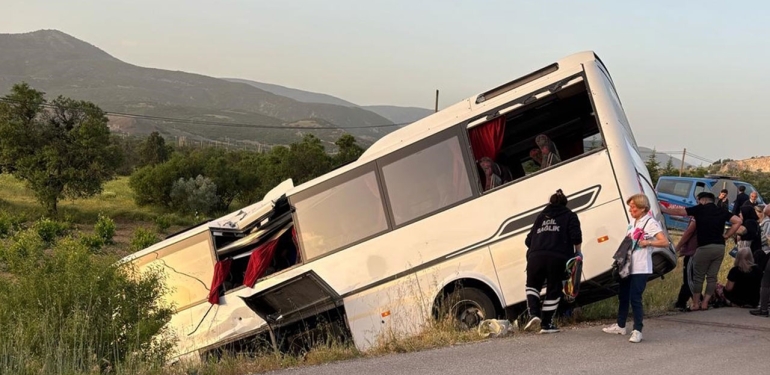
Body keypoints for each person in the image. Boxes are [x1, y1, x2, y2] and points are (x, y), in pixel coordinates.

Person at [602, 194, 669, 343]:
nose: (630, 210)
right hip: (627, 265)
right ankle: (620, 325)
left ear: (643, 208)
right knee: (623, 296)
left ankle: (637, 329)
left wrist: (648, 243)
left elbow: (664, 242)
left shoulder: (650, 223)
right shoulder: (633, 221)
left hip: (641, 266)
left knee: (635, 298)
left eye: (633, 207)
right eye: (630, 207)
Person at [660, 192, 742, 310]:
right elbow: (738, 221)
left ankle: (696, 303)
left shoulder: (700, 209)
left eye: (698, 200)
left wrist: (664, 210)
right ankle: (705, 303)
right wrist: (727, 235)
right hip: (719, 247)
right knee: (712, 277)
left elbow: (680, 212)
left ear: (703, 200)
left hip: (704, 247)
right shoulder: (721, 211)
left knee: (698, 277)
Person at [523, 189, 582, 334]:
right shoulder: (570, 215)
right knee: (554, 289)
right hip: (558, 258)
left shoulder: (540, 217)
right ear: (565, 203)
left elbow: (528, 241)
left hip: (535, 257)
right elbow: (576, 237)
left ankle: (534, 314)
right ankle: (546, 324)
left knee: (532, 286)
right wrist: (578, 253)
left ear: (550, 202)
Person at [674, 217, 698, 310]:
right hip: (700, 251)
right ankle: (681, 302)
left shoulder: (696, 218)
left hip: (692, 252)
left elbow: (689, 232)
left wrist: (678, 247)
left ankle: (698, 300)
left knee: (689, 280)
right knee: (691, 279)